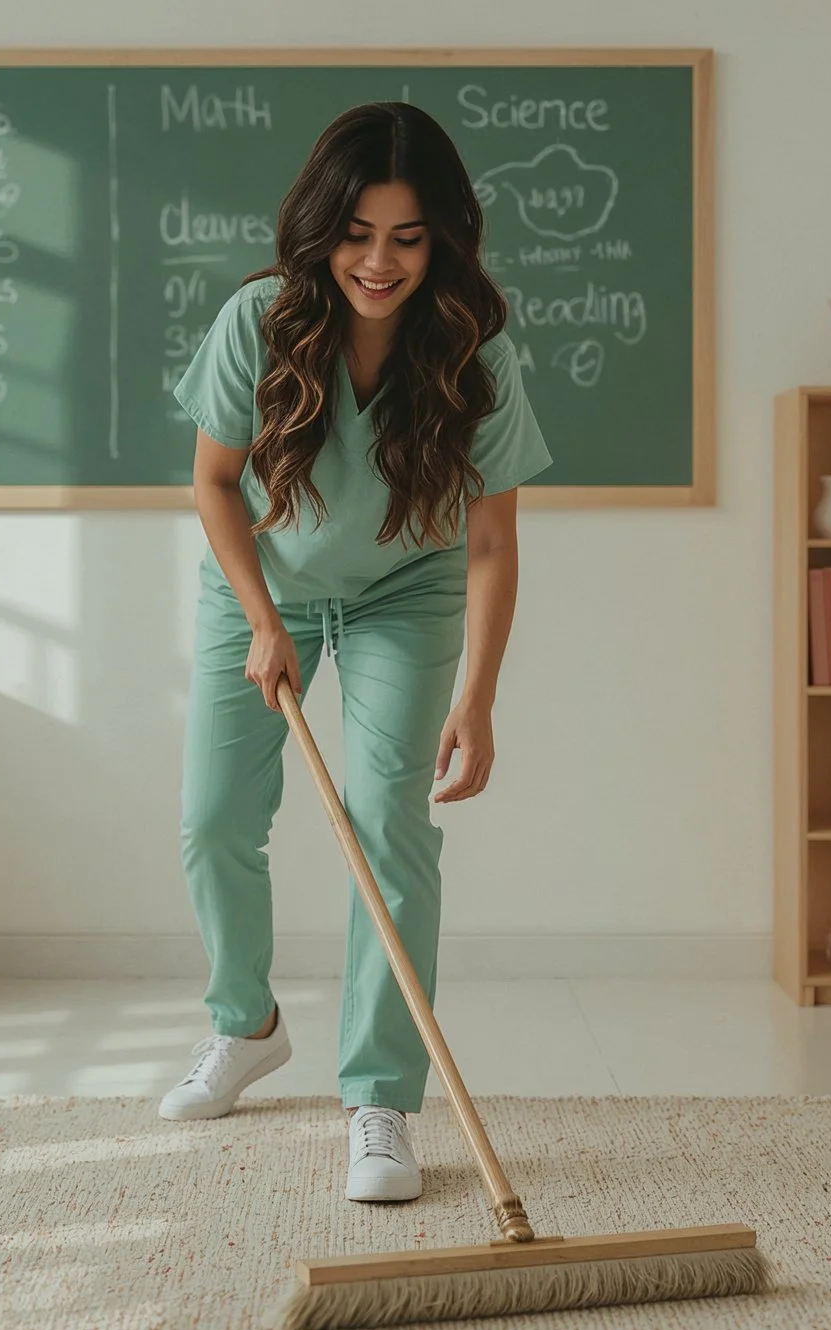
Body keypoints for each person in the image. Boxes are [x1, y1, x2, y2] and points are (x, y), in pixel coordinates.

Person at [157, 102, 551, 1205]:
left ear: (443, 240)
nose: (379, 262)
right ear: (321, 228)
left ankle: (379, 1097)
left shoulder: (478, 347)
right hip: (262, 586)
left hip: (404, 593)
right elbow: (211, 483)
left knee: (388, 828)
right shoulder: (257, 320)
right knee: (213, 817)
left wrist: (478, 698)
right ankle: (247, 1024)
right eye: (358, 234)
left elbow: (488, 539)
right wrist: (264, 618)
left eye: (409, 237)